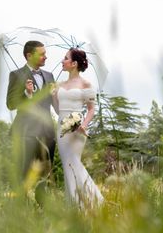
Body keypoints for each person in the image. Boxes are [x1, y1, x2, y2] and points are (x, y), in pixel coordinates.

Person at [6, 40, 56, 203]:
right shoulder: (16, 75)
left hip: (47, 133)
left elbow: (53, 104)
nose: (45, 57)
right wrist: (26, 94)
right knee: (24, 174)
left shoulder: (49, 76)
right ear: (29, 55)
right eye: (42, 54)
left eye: (45, 54)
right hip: (25, 133)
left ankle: (43, 209)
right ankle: (22, 210)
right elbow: (11, 104)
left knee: (46, 175)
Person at [53, 48, 104, 207]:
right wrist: (54, 95)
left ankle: (95, 203)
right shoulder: (60, 84)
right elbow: (57, 109)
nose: (62, 60)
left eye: (65, 58)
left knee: (73, 164)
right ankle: (73, 208)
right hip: (61, 128)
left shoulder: (86, 84)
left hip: (77, 129)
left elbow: (91, 109)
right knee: (68, 167)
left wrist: (83, 125)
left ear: (74, 63)